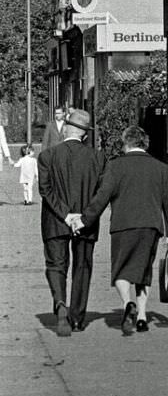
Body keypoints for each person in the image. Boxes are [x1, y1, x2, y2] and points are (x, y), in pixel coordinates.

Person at [71, 125, 168, 335]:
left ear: (126, 143)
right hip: (150, 225)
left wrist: (85, 219)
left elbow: (102, 196)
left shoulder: (115, 166)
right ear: (144, 143)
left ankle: (128, 302)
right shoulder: (161, 168)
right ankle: (142, 316)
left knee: (121, 270)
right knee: (143, 271)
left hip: (123, 225)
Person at [38, 109, 105, 336]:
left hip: (55, 221)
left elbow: (45, 190)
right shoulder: (97, 158)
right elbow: (101, 193)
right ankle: (77, 317)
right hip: (86, 223)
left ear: (66, 128)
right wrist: (83, 217)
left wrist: (66, 215)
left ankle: (59, 303)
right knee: (82, 266)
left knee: (56, 265)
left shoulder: (47, 156)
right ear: (85, 135)